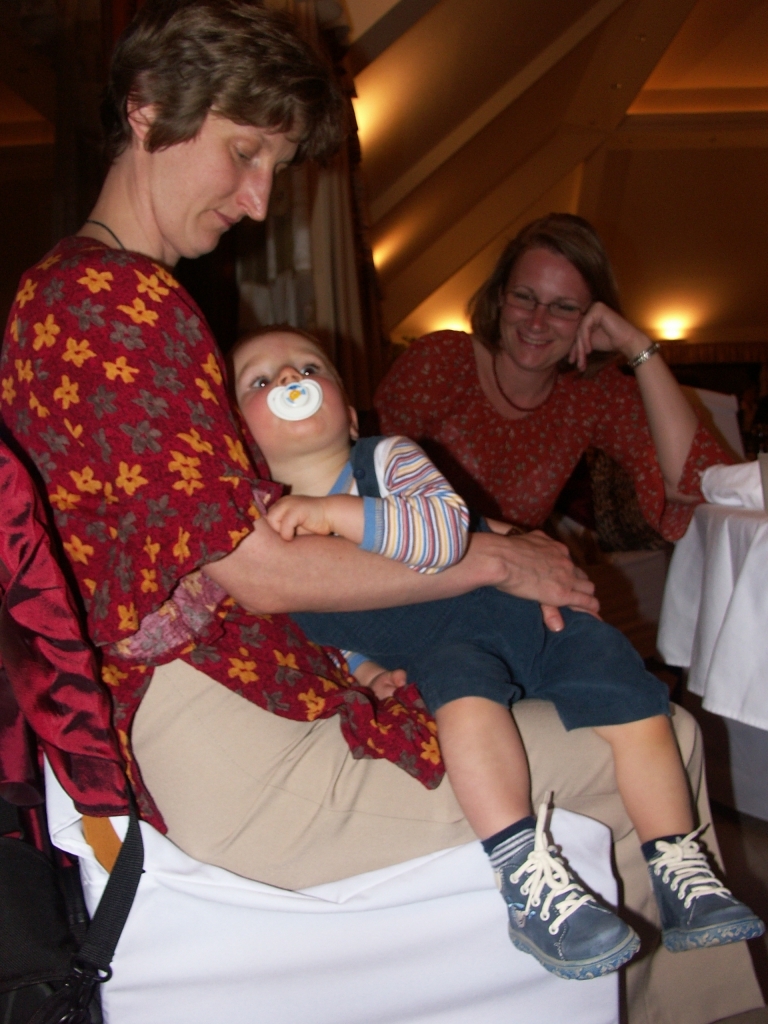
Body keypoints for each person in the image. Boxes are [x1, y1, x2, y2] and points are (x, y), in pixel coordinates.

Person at [0, 2, 762, 1019]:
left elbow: (271, 529)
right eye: (244, 153)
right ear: (146, 110)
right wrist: (495, 562)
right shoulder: (113, 306)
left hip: (235, 708)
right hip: (233, 754)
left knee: (584, 706)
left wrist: (443, 584)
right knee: (653, 733)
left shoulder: (86, 294)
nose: (257, 202)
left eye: (272, 168)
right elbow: (257, 568)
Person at [231, 325, 762, 979]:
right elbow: (320, 630)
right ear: (238, 436)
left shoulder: (388, 458)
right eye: (262, 380)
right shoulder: (261, 535)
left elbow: (444, 531)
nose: (290, 381)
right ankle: (528, 878)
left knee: (634, 702)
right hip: (443, 649)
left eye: (309, 368)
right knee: (465, 711)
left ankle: (680, 866)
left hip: (523, 616)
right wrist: (366, 671)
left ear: (350, 412)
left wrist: (336, 513)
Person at [374, 214, 734, 539]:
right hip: (415, 570)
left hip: (513, 576)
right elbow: (371, 491)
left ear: (591, 316)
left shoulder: (590, 392)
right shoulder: (440, 361)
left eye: (563, 307)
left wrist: (635, 344)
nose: (537, 322)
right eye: (524, 297)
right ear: (500, 297)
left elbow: (694, 480)